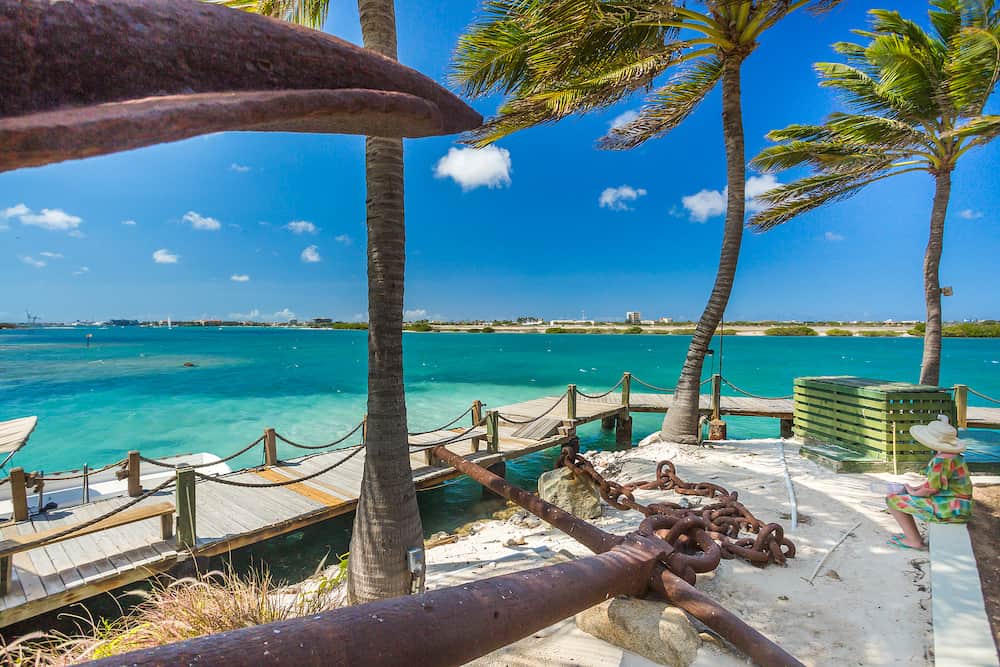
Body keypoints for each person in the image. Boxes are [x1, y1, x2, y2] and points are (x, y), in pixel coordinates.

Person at [885, 415, 972, 550]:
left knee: (892, 500)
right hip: (959, 504)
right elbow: (937, 484)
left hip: (950, 508)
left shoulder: (942, 460)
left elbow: (931, 489)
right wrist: (914, 488)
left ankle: (914, 540)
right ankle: (913, 537)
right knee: (904, 494)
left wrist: (914, 492)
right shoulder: (955, 457)